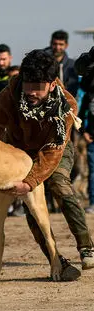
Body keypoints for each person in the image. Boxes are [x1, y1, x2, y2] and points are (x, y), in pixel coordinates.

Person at [0, 49, 94, 279]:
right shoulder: (9, 96)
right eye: (28, 84)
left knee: (59, 185)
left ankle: (86, 246)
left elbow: (52, 152)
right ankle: (58, 263)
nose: (31, 92)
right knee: (33, 209)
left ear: (53, 84)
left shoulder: (67, 105)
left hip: (56, 150)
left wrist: (30, 181)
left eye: (38, 86)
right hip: (20, 153)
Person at [75, 47, 94, 213]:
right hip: (91, 129)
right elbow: (79, 68)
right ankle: (93, 202)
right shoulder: (89, 61)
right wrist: (84, 130)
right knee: (92, 169)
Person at [45, 30, 78, 97]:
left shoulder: (71, 65)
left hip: (66, 100)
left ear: (66, 45)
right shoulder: (44, 63)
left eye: (61, 44)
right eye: (55, 44)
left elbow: (73, 89)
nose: (57, 47)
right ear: (51, 43)